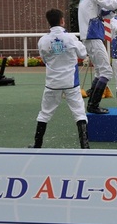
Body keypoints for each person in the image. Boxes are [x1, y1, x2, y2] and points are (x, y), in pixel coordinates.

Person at [31, 8, 89, 149]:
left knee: (45, 113)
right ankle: (85, 146)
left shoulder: (43, 40)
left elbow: (45, 59)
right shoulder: (71, 38)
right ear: (62, 21)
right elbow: (83, 54)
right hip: (71, 82)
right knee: (79, 113)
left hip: (52, 83)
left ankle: (37, 145)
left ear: (48, 22)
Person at [78, 0, 117, 114]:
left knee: (100, 71)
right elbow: (111, 4)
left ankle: (92, 103)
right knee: (106, 72)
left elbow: (105, 12)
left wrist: (116, 8)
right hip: (93, 35)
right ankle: (93, 105)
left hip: (89, 36)